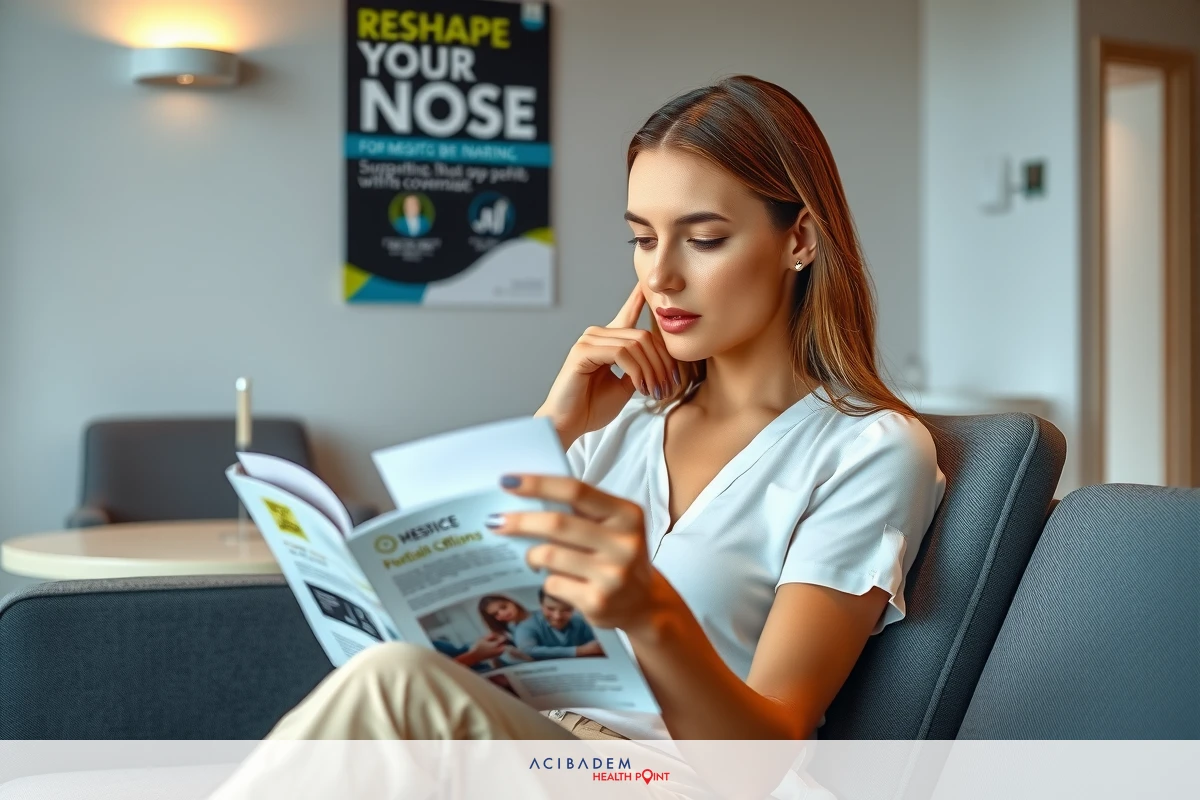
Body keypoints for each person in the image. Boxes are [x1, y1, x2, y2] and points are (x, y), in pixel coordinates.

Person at [210, 74, 948, 796]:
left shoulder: (869, 449)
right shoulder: (621, 427)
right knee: (397, 678)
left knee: (393, 688)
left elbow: (761, 763)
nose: (660, 276)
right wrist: (556, 420)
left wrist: (652, 615)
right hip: (537, 748)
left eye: (705, 239)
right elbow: (466, 591)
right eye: (641, 238)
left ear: (800, 240)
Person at [511, 588, 604, 660]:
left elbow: (595, 645)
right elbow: (526, 650)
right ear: (541, 605)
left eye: (566, 610)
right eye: (550, 609)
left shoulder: (580, 621)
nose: (557, 616)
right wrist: (578, 651)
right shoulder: (527, 625)